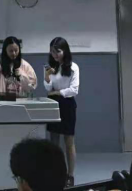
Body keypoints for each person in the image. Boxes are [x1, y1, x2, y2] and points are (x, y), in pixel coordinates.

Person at [44, 37, 80, 188]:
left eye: (57, 51)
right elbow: (48, 89)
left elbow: (74, 90)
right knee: (54, 142)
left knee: (69, 142)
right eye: (52, 52)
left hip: (67, 105)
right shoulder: (50, 67)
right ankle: (56, 173)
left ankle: (70, 175)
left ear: (64, 51)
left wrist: (58, 92)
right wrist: (47, 77)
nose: (55, 55)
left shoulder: (73, 67)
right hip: (53, 104)